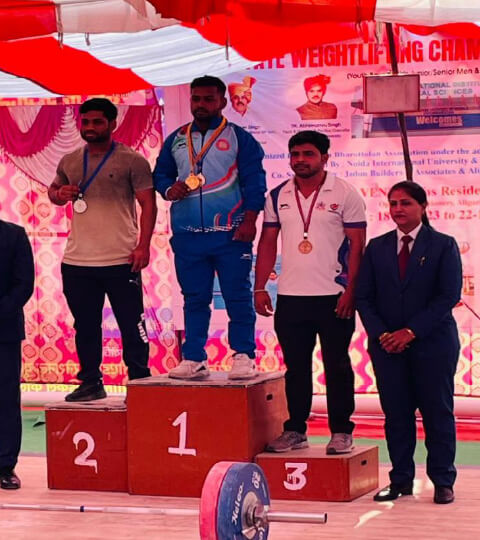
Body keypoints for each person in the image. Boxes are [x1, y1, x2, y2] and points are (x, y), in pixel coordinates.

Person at [255, 130, 366, 453]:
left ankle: (341, 430)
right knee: (296, 368)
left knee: (337, 365)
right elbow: (267, 242)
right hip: (291, 297)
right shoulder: (278, 195)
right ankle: (295, 429)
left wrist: (351, 291)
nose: (300, 160)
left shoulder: (345, 193)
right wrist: (260, 287)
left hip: (334, 296)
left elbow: (357, 246)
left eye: (308, 154)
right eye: (295, 154)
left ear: (324, 158)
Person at [356, 181, 462, 505]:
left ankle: (442, 481)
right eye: (393, 203)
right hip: (387, 348)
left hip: (434, 345)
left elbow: (448, 295)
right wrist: (382, 335)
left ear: (422, 207)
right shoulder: (377, 247)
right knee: (397, 415)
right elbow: (363, 296)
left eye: (405, 203)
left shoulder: (443, 245)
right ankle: (401, 480)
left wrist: (410, 332)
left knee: (437, 413)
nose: (398, 209)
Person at [154, 75, 266, 380]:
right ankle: (194, 357)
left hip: (231, 232)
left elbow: (255, 182)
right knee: (194, 298)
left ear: (222, 102)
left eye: (208, 99)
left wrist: (250, 220)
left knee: (237, 296)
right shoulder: (177, 139)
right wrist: (169, 189)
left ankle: (243, 355)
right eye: (196, 99)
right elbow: (160, 175)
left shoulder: (240, 138)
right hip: (188, 235)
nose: (201, 104)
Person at [48, 98, 157, 402]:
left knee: (132, 324)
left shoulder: (132, 160)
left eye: (97, 122)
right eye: (85, 122)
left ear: (112, 124)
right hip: (78, 261)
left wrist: (143, 246)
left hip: (121, 259)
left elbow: (148, 203)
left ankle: (139, 382)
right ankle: (91, 382)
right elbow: (53, 191)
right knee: (85, 326)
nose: (90, 127)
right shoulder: (70, 160)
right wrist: (60, 193)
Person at [0, 217, 34, 489]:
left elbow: (24, 284)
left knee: (6, 398)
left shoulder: (14, 235)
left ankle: (5, 465)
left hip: (4, 330)